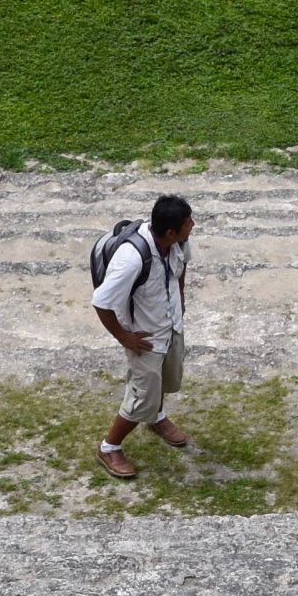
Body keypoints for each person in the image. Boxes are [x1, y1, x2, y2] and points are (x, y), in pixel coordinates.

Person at [92, 195, 195, 480]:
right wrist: (125, 337)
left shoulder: (179, 241)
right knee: (141, 397)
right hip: (146, 338)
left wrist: (180, 300)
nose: (193, 226)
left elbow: (181, 266)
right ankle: (109, 446)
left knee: (165, 379)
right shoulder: (131, 259)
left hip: (171, 327)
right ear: (170, 231)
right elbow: (101, 301)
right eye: (189, 223)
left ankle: (156, 418)